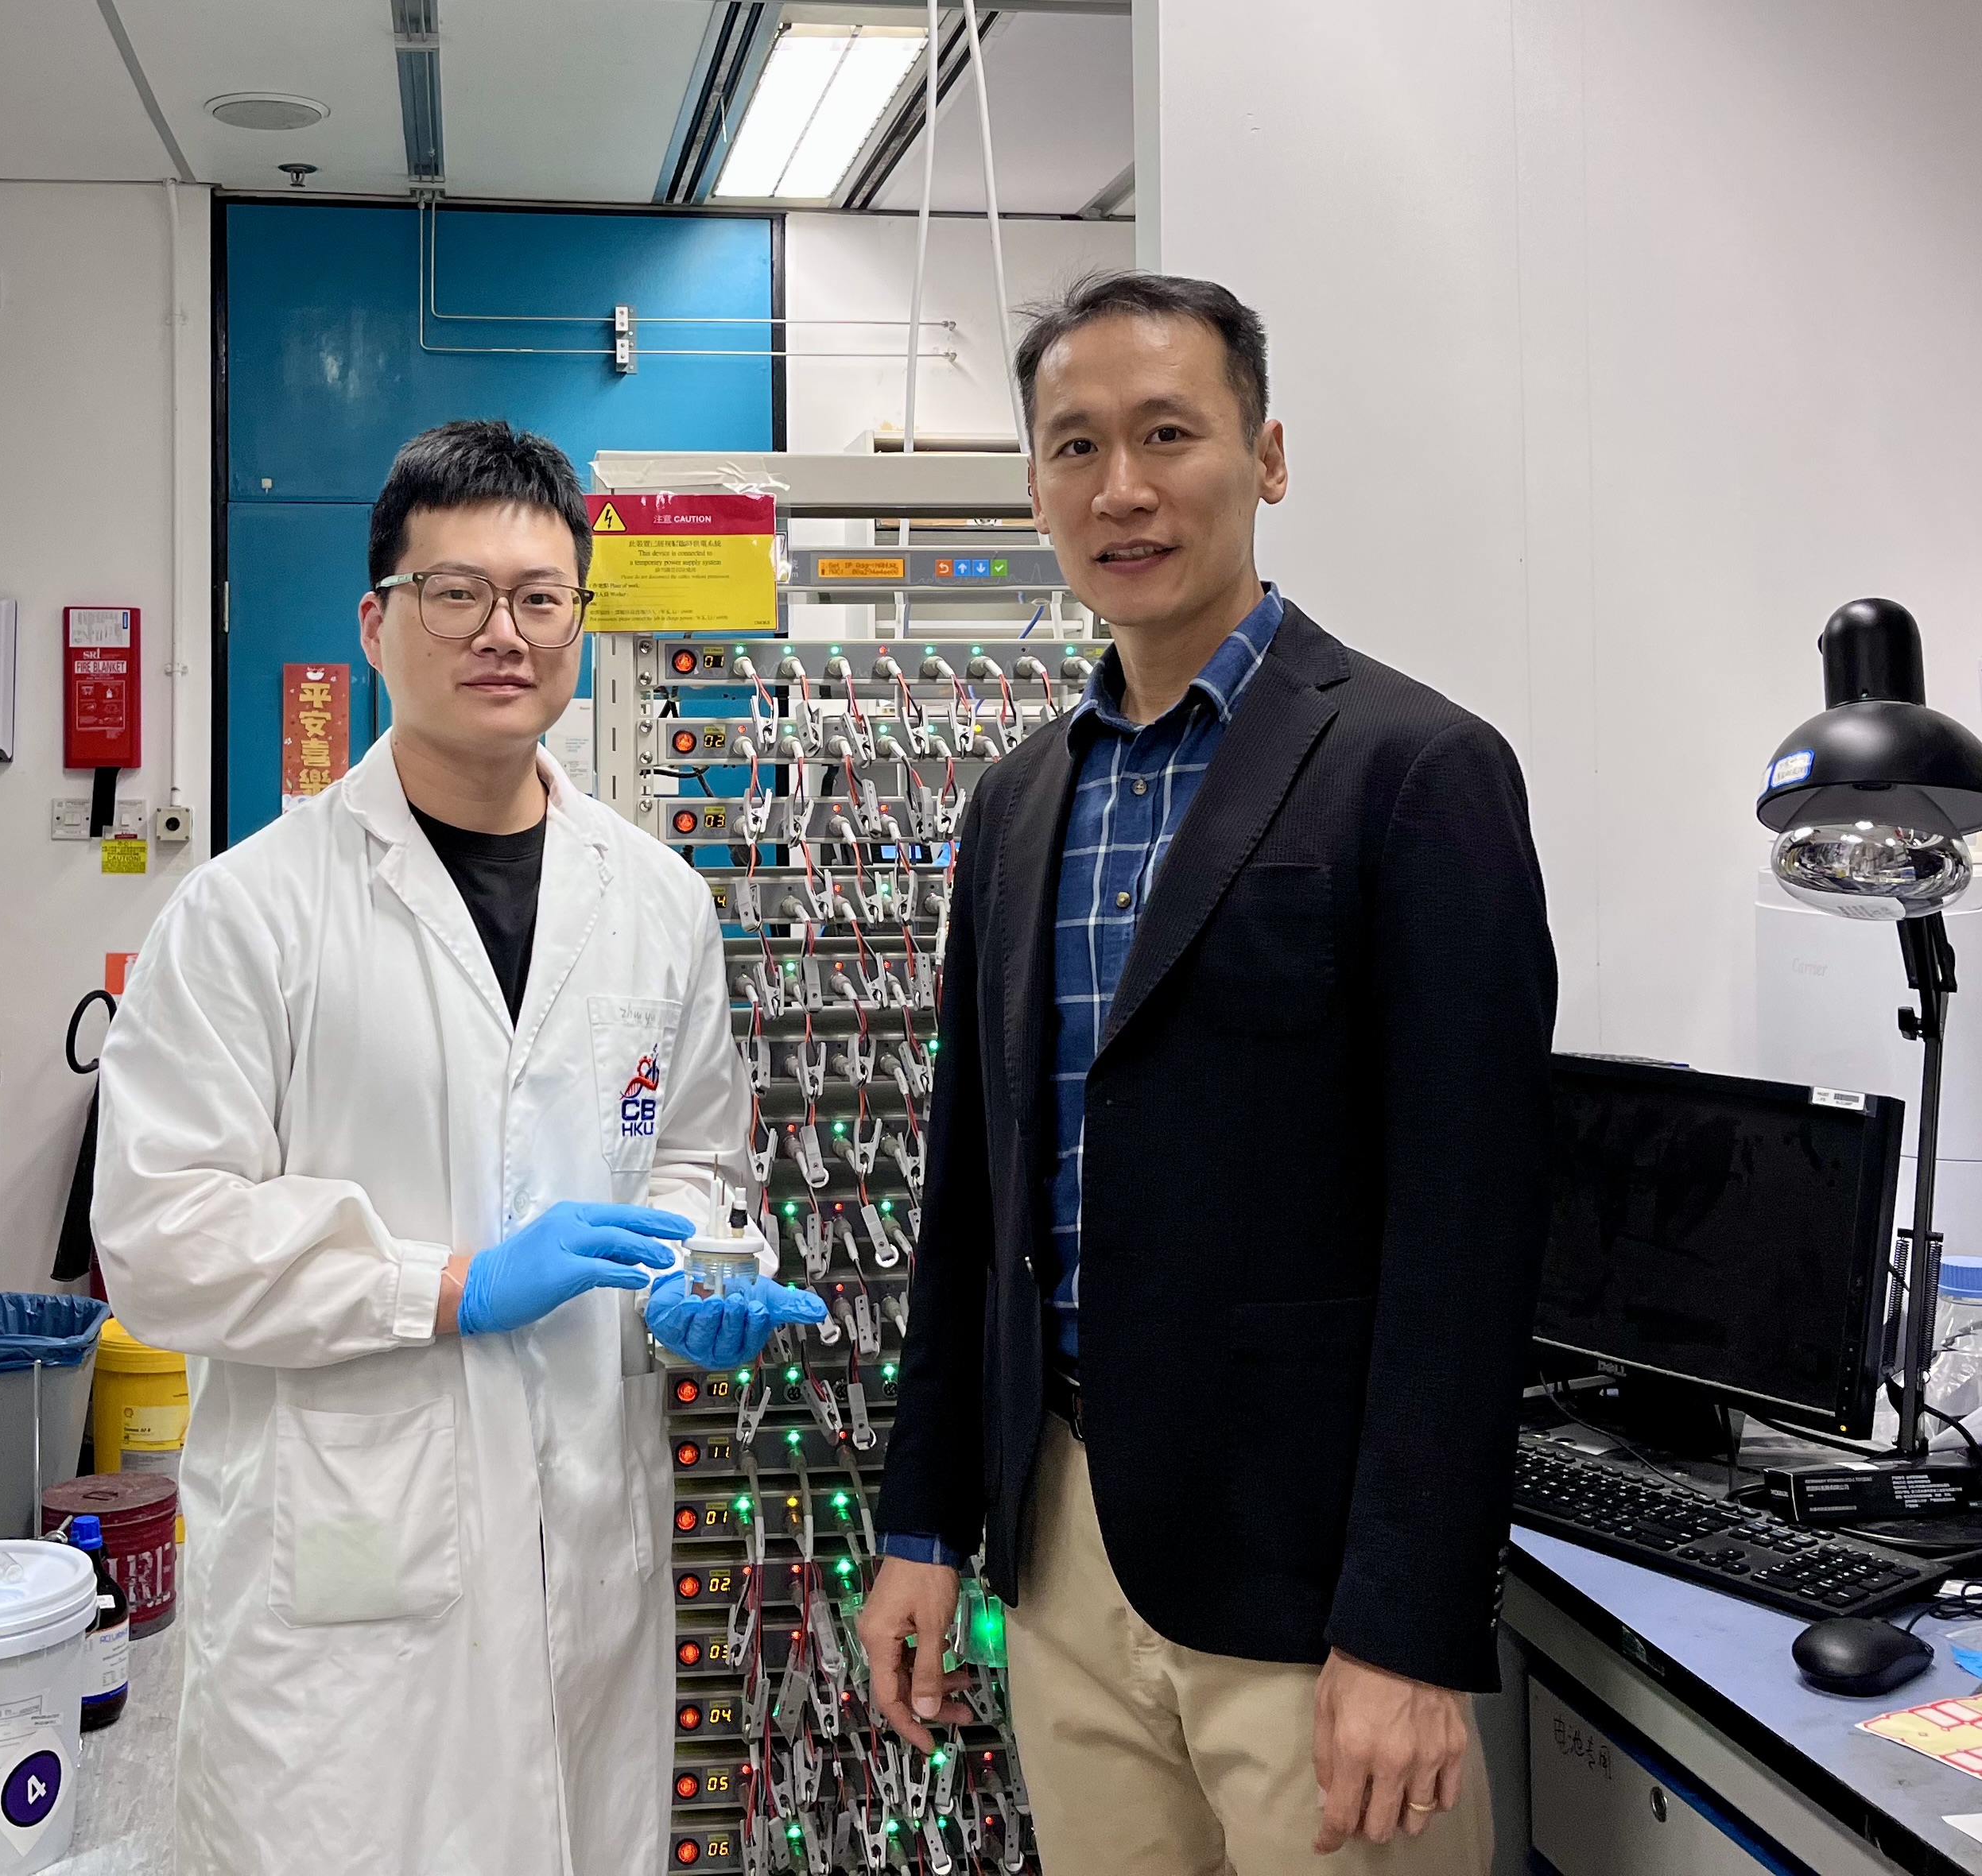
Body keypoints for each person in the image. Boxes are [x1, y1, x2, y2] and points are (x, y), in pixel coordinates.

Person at [858, 274, 1557, 1873]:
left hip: (1307, 1598)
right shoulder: (1018, 803)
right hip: (1062, 1554)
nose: (1122, 487)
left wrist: (1412, 1621)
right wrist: (922, 1523)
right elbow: (971, 1199)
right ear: (1036, 484)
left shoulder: (1411, 767)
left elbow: (1471, 1234)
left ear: (1269, 456)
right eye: (1075, 445)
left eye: (1169, 433)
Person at [93, 419, 821, 1874]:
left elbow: (693, 1158)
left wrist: (691, 1267)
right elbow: (160, 1243)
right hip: (351, 1568)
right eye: (457, 593)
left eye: (542, 598)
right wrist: (444, 1283)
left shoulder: (658, 901)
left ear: (581, 626)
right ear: (377, 621)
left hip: (583, 1533)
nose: (505, 632)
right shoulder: (254, 915)